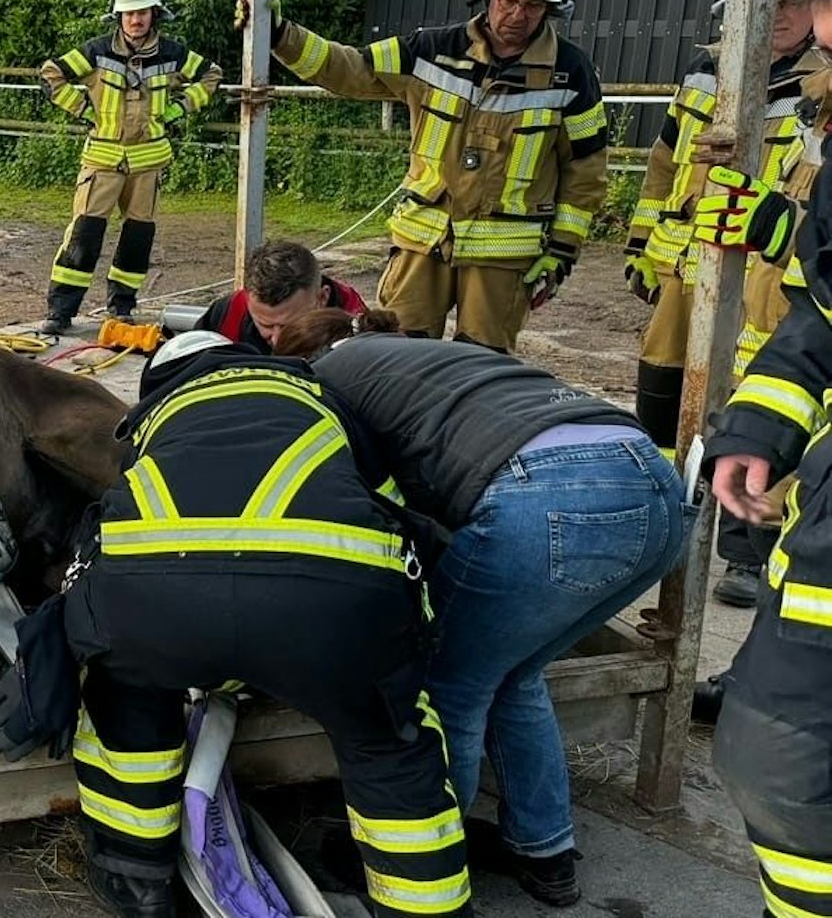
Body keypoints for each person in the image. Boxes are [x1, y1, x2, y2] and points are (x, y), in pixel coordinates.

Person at [45, 330, 468, 918]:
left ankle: (136, 882)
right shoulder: (319, 396)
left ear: (159, 385)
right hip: (332, 605)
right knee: (387, 739)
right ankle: (426, 907)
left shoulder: (154, 418)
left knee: (124, 691)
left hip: (157, 603)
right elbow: (393, 507)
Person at [275, 309, 686, 907]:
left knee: (450, 686)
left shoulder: (327, 377)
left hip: (543, 495)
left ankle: (425, 871)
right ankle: (545, 854)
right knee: (513, 674)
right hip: (651, 482)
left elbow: (358, 501)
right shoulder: (435, 357)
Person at [238, 0, 609, 353]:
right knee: (395, 353)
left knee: (479, 365)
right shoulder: (430, 49)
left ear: (551, 9)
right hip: (421, 243)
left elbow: (587, 170)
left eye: (533, 5)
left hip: (502, 256)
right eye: (509, 0)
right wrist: (281, 36)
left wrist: (561, 253)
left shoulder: (571, 72)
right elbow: (351, 68)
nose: (518, 15)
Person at [629, 0, 832, 609]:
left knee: (760, 400)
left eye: (790, 2)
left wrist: (778, 229)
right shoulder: (705, 71)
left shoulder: (821, 89)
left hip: (769, 283)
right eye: (763, 0)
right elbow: (663, 166)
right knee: (663, 396)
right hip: (686, 273)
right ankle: (654, 517)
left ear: (814, 7)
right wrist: (640, 244)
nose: (775, 14)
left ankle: (745, 554)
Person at [704, 0, 832, 918]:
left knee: (783, 752)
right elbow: (822, 299)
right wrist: (760, 427)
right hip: (771, 331)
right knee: (778, 752)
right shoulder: (804, 113)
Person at [42, 0, 222, 335]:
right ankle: (60, 312)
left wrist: (178, 110)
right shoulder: (95, 51)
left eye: (142, 12)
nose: (135, 19)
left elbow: (211, 75)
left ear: (155, 14)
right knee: (84, 235)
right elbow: (51, 74)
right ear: (118, 16)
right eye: (128, 13)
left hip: (147, 163)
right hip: (102, 160)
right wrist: (82, 109)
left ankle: (121, 307)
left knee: (137, 240)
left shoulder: (173, 54)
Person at [192, 239, 367, 355]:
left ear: (322, 298)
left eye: (289, 325)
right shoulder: (226, 316)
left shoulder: (355, 323)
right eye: (265, 325)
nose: (277, 340)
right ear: (247, 299)